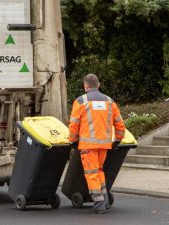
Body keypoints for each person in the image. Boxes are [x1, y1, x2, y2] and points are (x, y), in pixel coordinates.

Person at [68, 73, 126, 214]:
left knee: (91, 174)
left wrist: (72, 140)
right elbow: (119, 123)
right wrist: (118, 139)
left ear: (85, 86)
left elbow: (74, 124)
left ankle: (99, 203)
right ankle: (104, 199)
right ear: (98, 85)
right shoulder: (110, 101)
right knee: (99, 171)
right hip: (104, 145)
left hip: (88, 146)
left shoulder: (81, 101)